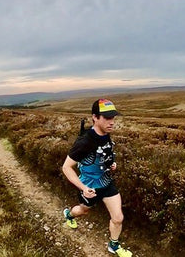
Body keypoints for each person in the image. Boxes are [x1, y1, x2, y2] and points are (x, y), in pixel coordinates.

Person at [62, 99, 132, 257]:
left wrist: (111, 164)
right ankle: (69, 214)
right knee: (83, 211)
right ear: (95, 117)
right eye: (107, 118)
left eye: (113, 118)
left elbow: (103, 155)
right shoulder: (85, 142)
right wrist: (83, 188)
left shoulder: (106, 134)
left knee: (118, 217)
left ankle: (113, 245)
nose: (112, 122)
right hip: (90, 188)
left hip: (107, 183)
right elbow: (66, 167)